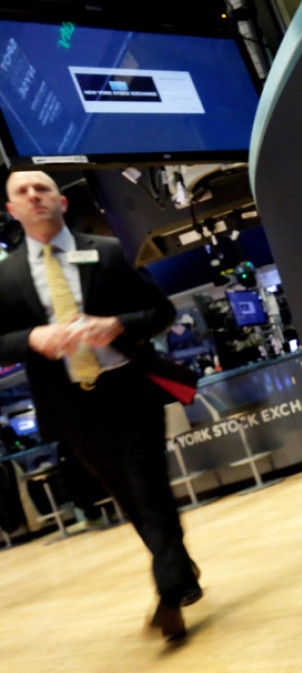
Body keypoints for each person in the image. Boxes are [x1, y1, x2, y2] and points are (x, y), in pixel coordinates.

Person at [0, 170, 202, 641]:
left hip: (129, 388)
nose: (34, 195)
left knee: (149, 487)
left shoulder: (109, 251)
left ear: (62, 202)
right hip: (70, 404)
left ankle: (170, 592)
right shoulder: (5, 277)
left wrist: (117, 324)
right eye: (22, 192)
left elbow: (161, 312)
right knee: (129, 497)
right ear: (11, 211)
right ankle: (180, 569)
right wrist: (31, 338)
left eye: (43, 188)